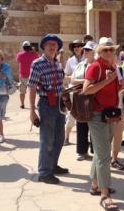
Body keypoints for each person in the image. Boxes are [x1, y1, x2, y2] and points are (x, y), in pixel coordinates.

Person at [83, 37, 124, 211]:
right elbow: (87, 90)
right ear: (99, 52)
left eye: (111, 50)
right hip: (97, 115)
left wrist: (123, 85)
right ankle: (105, 195)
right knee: (104, 154)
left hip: (110, 114)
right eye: (105, 50)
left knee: (101, 152)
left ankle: (95, 185)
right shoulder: (96, 67)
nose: (109, 52)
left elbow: (118, 89)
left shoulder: (113, 67)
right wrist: (108, 80)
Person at [28, 34, 69, 185]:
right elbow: (31, 87)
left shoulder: (57, 63)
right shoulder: (37, 64)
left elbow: (60, 83)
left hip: (59, 104)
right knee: (47, 140)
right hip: (46, 104)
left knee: (59, 138)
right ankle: (44, 172)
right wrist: (32, 110)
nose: (52, 47)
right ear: (44, 47)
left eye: (55, 45)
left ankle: (52, 165)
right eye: (49, 45)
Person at [70, 41, 97, 161]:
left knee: (94, 125)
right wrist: (86, 81)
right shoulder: (80, 65)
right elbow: (73, 80)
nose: (85, 51)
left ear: (94, 52)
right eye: (84, 49)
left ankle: (96, 151)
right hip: (80, 97)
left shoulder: (97, 65)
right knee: (81, 123)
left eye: (88, 50)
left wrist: (84, 81)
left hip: (94, 97)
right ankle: (82, 151)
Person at [64, 39, 85, 145]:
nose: (77, 47)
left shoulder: (87, 58)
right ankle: (66, 138)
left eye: (79, 45)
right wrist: (74, 79)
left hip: (86, 91)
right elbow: (66, 76)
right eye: (75, 46)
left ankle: (86, 142)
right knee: (71, 116)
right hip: (73, 91)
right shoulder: (70, 60)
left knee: (86, 116)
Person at [16, 41, 39, 109]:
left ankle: (22, 104)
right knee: (32, 91)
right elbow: (38, 59)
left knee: (22, 91)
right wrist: (33, 51)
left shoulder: (19, 55)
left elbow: (18, 61)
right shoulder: (34, 54)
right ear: (30, 47)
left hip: (22, 76)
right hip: (32, 76)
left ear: (23, 47)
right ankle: (33, 105)